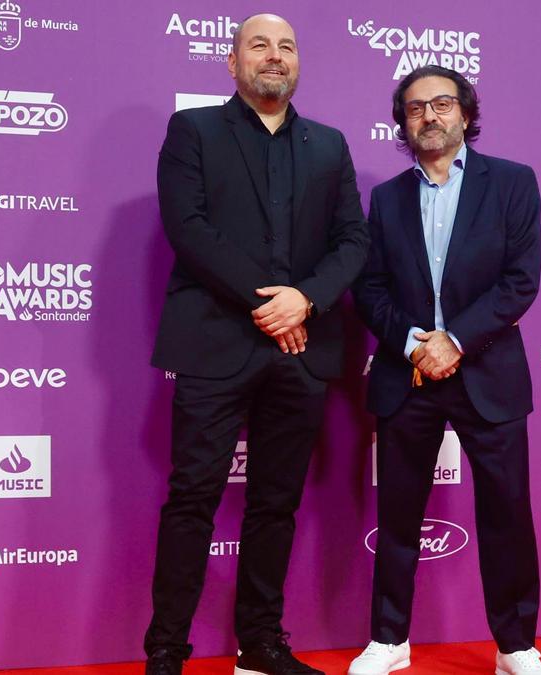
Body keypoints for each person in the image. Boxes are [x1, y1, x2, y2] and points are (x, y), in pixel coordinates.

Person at [143, 13, 369, 675]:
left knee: (277, 501)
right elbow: (189, 228)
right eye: (259, 45)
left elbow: (352, 241)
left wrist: (308, 299)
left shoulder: (329, 145)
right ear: (233, 61)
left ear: (298, 63)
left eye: (287, 46)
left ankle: (261, 644)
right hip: (215, 341)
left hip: (303, 348)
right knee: (192, 497)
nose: (274, 57)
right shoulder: (194, 131)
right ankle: (166, 650)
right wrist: (272, 302)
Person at [349, 65, 541, 675]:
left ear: (465, 113)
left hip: (488, 372)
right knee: (398, 513)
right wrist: (416, 344)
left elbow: (521, 282)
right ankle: (390, 639)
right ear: (403, 124)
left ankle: (515, 645)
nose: (429, 116)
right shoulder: (385, 200)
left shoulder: (513, 183)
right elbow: (371, 287)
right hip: (408, 374)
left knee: (507, 514)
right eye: (415, 109)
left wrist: (455, 341)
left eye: (441, 104)